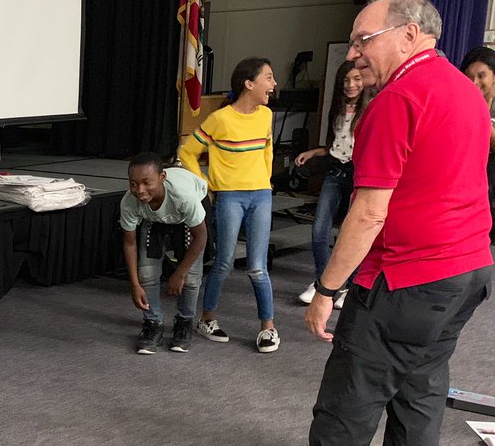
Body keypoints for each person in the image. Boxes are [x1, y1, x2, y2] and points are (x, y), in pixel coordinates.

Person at [246, 0, 493, 446]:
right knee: (421, 393)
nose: (355, 54)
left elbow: (368, 211)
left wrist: (327, 290)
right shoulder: (465, 89)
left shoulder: (396, 99)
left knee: (351, 395)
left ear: (408, 35)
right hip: (468, 272)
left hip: (407, 277)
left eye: (364, 39)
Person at [178, 57, 280, 352]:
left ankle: (268, 328)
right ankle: (207, 318)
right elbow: (187, 152)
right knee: (223, 261)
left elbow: (267, 151)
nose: (273, 85)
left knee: (258, 266)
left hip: (261, 194)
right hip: (230, 196)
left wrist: (266, 180)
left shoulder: (266, 116)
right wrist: (204, 185)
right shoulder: (220, 119)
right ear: (249, 84)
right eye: (268, 78)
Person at [294, 60, 372, 306]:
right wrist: (314, 153)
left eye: (357, 79)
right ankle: (322, 282)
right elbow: (333, 145)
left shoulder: (371, 107)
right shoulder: (337, 108)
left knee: (352, 231)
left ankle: (350, 284)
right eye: (347, 80)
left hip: (358, 172)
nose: (351, 85)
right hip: (335, 170)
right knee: (319, 229)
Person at [119, 152, 208, 353]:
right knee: (147, 275)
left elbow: (200, 237)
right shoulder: (130, 201)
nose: (139, 190)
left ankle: (184, 323)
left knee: (191, 279)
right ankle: (153, 324)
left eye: (146, 183)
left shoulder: (184, 196)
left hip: (186, 216)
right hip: (153, 217)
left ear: (162, 178)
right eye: (133, 184)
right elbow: (129, 243)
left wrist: (179, 273)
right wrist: (134, 285)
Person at [459, 45, 495, 243]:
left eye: (481, 76)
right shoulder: (460, 106)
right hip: (469, 198)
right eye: (468, 76)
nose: (474, 82)